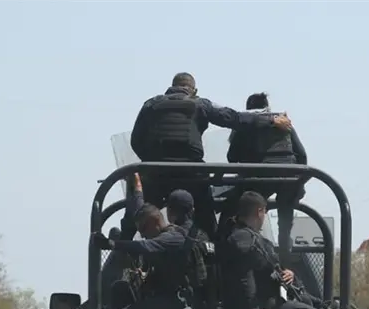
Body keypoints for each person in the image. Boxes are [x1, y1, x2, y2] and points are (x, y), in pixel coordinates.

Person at [123, 72, 294, 241]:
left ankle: (120, 249)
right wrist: (271, 121)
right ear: (194, 90)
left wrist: (153, 161)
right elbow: (235, 119)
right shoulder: (200, 104)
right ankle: (214, 256)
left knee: (135, 216)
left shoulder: (151, 105)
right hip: (192, 175)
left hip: (157, 175)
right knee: (208, 222)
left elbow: (136, 141)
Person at [93, 182, 212, 309]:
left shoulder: (176, 237)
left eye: (143, 229)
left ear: (169, 212)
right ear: (192, 210)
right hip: (191, 302)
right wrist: (136, 186)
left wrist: (111, 244)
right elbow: (144, 212)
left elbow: (146, 246)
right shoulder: (202, 236)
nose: (143, 235)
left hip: (176, 303)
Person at [224, 92, 308, 256]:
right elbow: (302, 155)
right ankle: (285, 256)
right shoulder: (284, 123)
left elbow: (232, 157)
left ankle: (245, 246)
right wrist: (299, 181)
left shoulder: (247, 123)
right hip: (289, 177)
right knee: (285, 221)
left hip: (260, 177)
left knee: (236, 208)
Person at [219, 191, 323, 309]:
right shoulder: (242, 238)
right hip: (264, 305)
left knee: (319, 306)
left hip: (272, 300)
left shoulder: (252, 237)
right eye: (265, 212)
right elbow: (244, 275)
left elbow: (269, 267)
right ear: (259, 212)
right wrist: (252, 308)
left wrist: (289, 274)